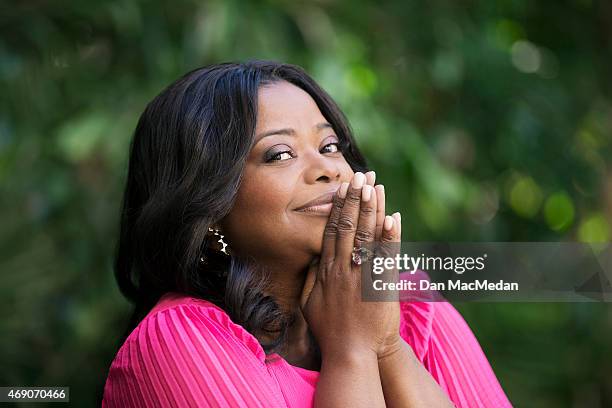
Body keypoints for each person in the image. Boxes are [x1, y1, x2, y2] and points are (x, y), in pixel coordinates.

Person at [102, 60, 512, 407]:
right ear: (207, 204)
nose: (329, 168)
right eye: (279, 154)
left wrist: (387, 346)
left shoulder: (411, 306)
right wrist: (352, 350)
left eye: (331, 146)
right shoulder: (177, 341)